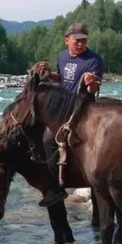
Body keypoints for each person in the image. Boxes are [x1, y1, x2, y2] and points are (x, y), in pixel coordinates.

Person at [35, 22, 103, 207]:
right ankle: (56, 185)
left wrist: (91, 82)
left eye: (84, 40)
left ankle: (60, 186)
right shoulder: (62, 56)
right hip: (63, 108)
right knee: (45, 138)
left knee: (50, 139)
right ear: (67, 40)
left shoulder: (94, 60)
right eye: (77, 40)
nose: (80, 44)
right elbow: (62, 77)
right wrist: (48, 74)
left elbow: (94, 88)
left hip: (83, 108)